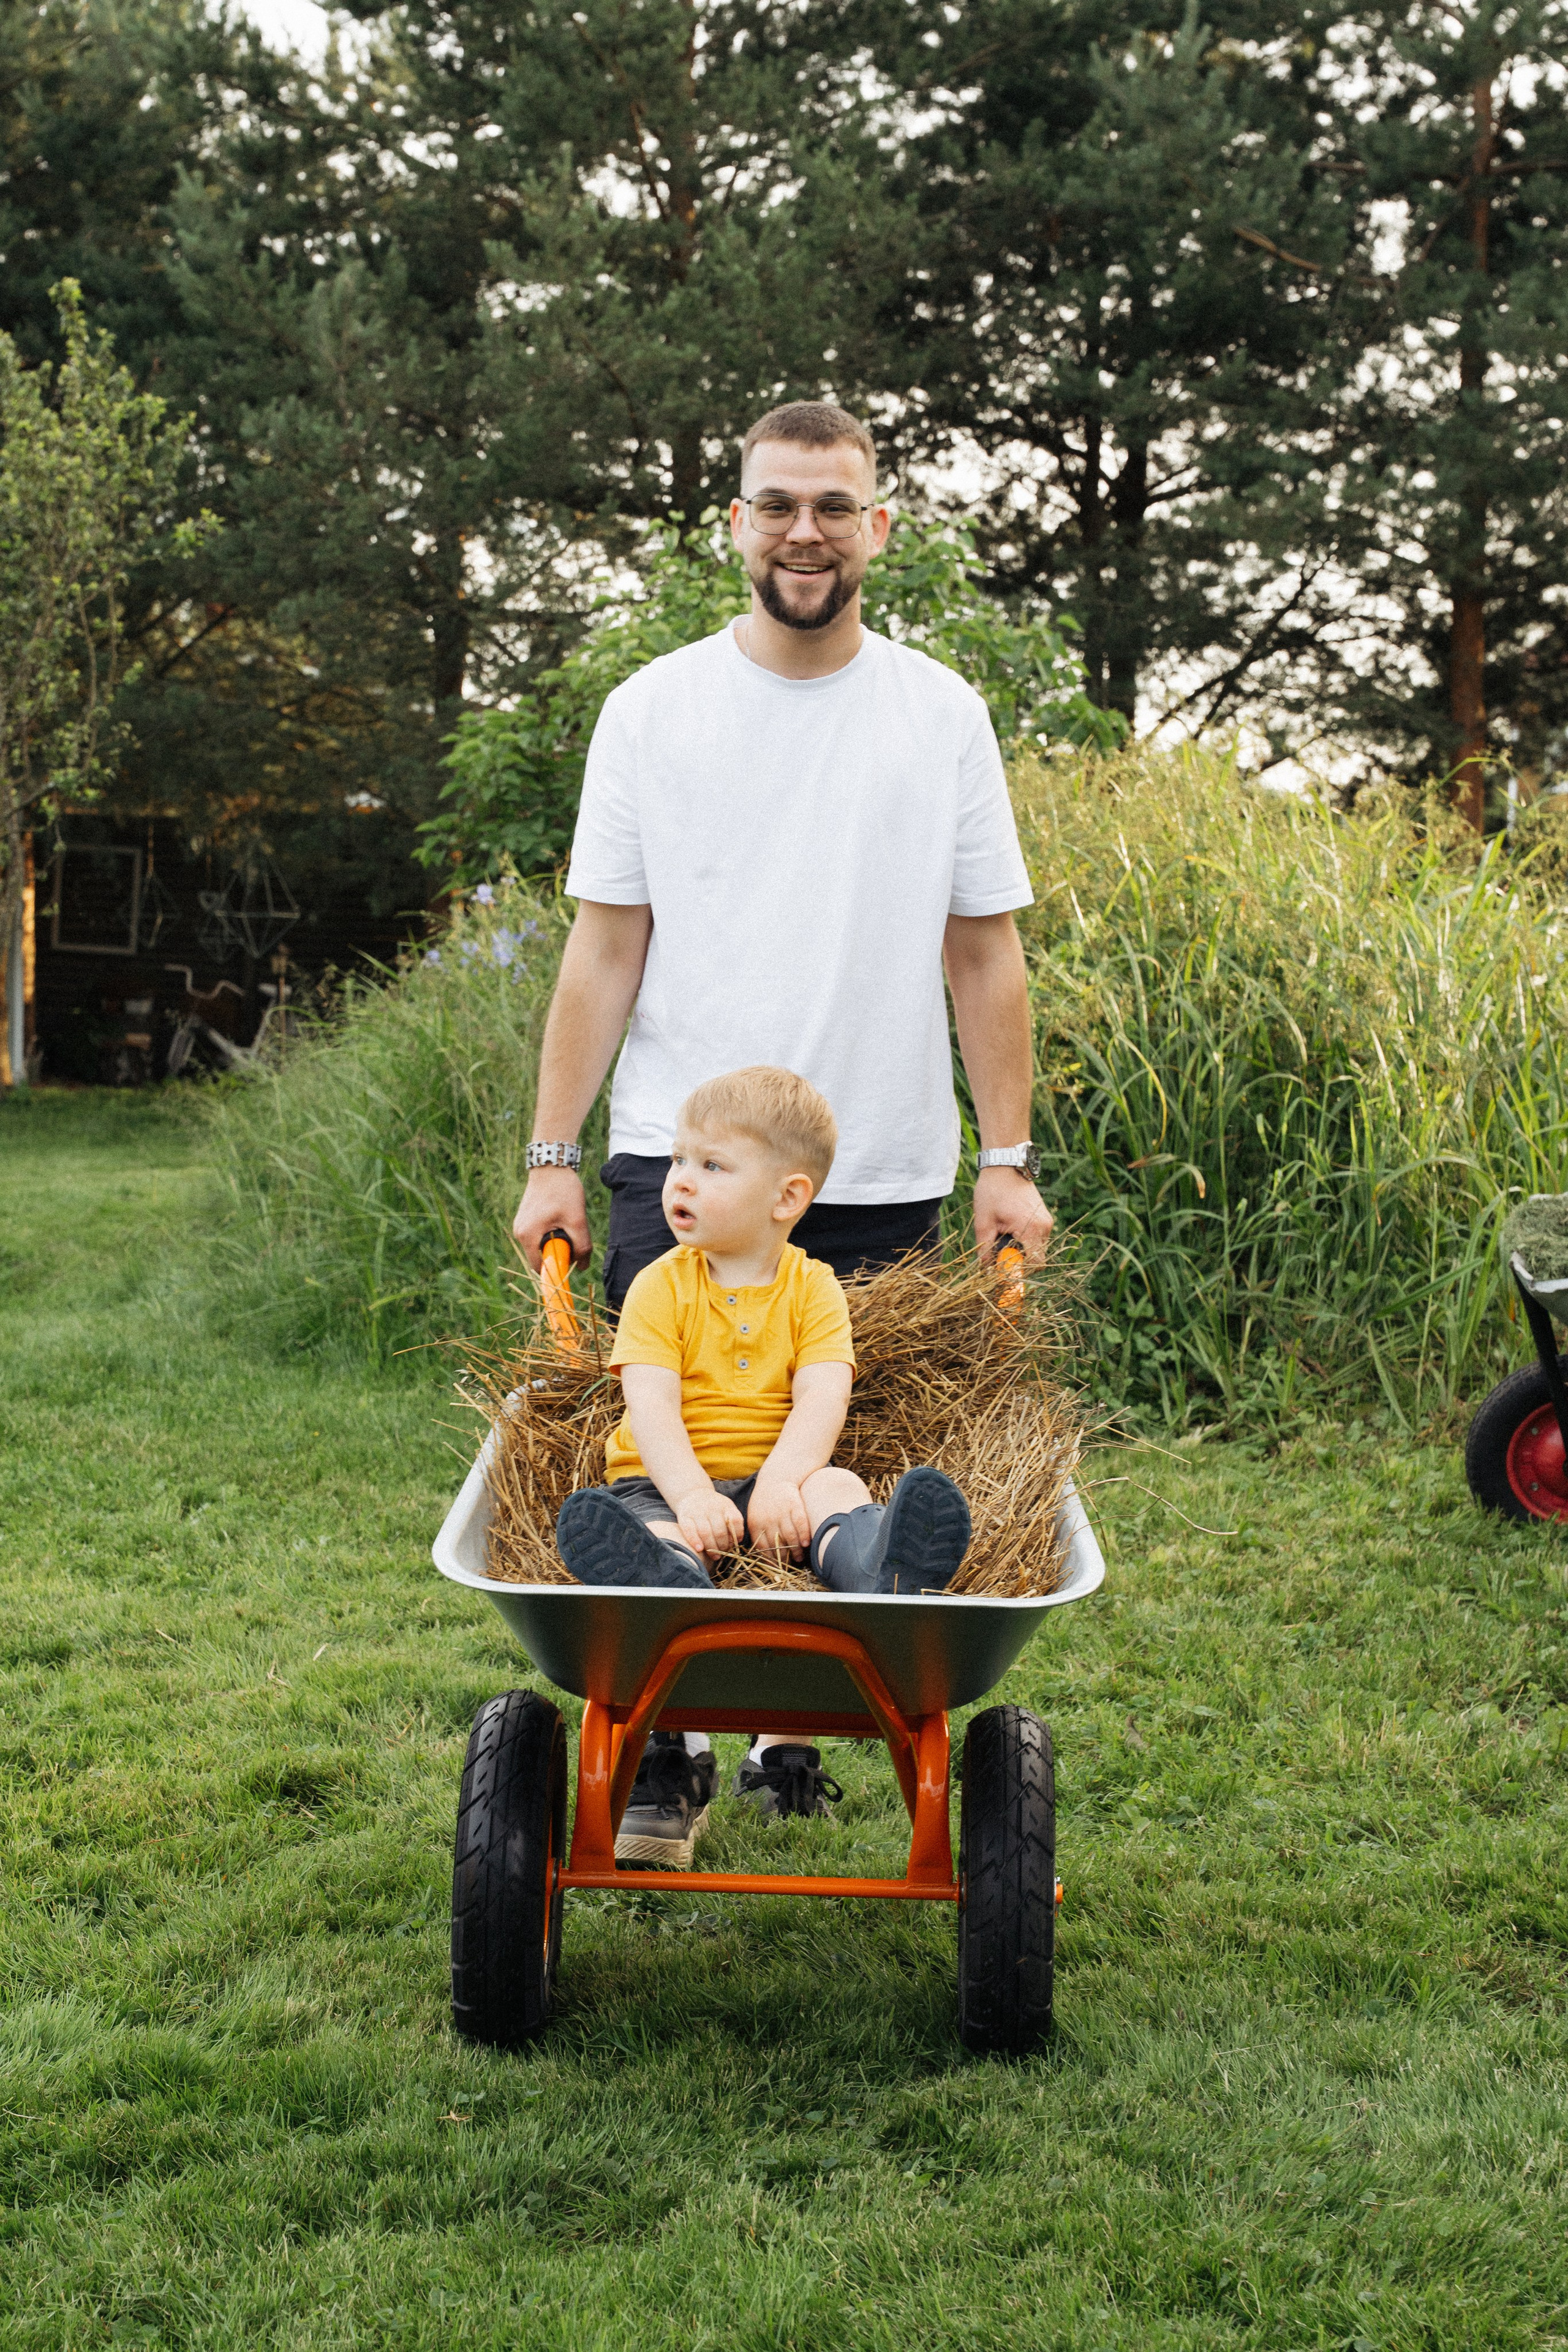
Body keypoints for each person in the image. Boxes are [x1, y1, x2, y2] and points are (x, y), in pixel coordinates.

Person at [511, 396, 1054, 1313]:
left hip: (877, 1178)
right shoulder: (649, 711)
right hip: (685, 1170)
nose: (806, 533)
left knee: (862, 1462)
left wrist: (1008, 1165)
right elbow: (604, 953)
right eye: (778, 507)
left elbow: (984, 953)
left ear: (877, 529)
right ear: (738, 525)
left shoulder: (942, 714)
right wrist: (550, 1159)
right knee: (664, 1456)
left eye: (835, 509)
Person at [556, 1066, 973, 1864]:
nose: (680, 1180)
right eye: (679, 1161)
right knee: (643, 1518)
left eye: (713, 1167)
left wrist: (783, 1483)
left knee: (838, 1485)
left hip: (771, 1479)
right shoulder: (657, 1289)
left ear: (787, 1198)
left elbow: (823, 1398)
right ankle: (669, 1578)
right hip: (667, 1479)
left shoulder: (814, 1290)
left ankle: (880, 1561)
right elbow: (651, 1411)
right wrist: (689, 1498)